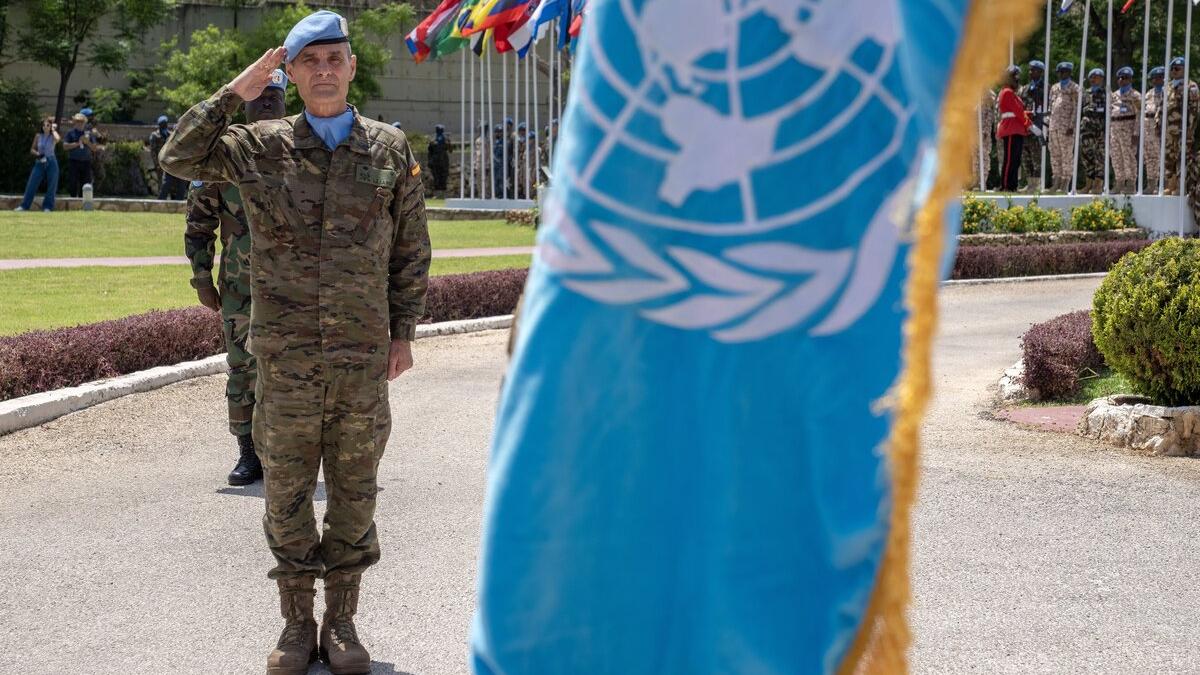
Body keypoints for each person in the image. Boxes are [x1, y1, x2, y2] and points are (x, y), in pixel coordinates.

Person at [159, 11, 431, 675]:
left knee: (354, 491)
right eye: (310, 61)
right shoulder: (258, 146)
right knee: (285, 493)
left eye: (335, 58)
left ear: (352, 66)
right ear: (292, 71)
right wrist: (240, 87)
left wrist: (403, 331)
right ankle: (294, 622)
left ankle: (341, 622)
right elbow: (178, 156)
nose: (325, 71)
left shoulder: (390, 148)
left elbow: (410, 247)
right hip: (283, 361)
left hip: (361, 359)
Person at [183, 70, 289, 489]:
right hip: (240, 288)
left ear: (285, 100)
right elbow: (198, 222)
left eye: (274, 95)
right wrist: (200, 277)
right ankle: (248, 453)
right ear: (245, 101)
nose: (266, 102)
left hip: (295, 290)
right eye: (259, 94)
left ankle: (287, 451)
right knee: (243, 367)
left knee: (296, 371)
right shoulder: (223, 156)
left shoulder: (304, 150)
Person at [1158, 56, 1199, 195]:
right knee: (1169, 158)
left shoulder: (1191, 86)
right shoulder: (1167, 86)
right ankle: (1171, 184)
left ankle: (1182, 186)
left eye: (1177, 69)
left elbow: (1194, 110)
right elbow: (1161, 107)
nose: (1174, 71)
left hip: (1183, 130)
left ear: (1184, 70)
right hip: (1168, 130)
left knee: (1183, 158)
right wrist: (1158, 124)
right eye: (1173, 69)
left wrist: (1190, 129)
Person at [15, 117, 60, 212]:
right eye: (43, 125)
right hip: (39, 161)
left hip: (51, 161)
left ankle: (47, 207)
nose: (45, 127)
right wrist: (38, 154)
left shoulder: (53, 136)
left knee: (52, 185)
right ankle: (24, 206)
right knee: (32, 183)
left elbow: (58, 139)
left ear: (51, 126)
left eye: (47, 125)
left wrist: (53, 129)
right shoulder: (38, 136)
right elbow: (32, 149)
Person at [997, 66, 1030, 192]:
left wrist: (1029, 115)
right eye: (1014, 77)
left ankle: (1013, 185)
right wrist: (1030, 124)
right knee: (1010, 159)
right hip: (1011, 128)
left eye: (1017, 77)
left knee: (1015, 160)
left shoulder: (1011, 93)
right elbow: (1018, 111)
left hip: (1016, 128)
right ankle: (1006, 185)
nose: (1017, 80)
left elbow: (1019, 111)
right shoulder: (1007, 92)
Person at [1048, 62, 1079, 192]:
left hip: (1066, 127)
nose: (1062, 74)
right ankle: (1056, 180)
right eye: (1060, 72)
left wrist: (1072, 125)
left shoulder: (1074, 88)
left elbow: (1076, 108)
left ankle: (1066, 181)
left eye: (1064, 71)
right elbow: (1051, 106)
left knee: (1066, 154)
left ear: (1069, 72)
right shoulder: (1054, 87)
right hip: (1054, 125)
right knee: (1055, 154)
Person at [1109, 66, 1141, 194]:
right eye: (1121, 78)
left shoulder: (1135, 95)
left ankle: (1131, 184)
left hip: (1128, 130)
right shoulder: (1114, 95)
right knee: (1116, 157)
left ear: (1131, 79)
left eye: (1126, 78)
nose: (1123, 80)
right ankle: (1119, 182)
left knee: (1128, 157)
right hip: (1115, 129)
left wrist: (1136, 133)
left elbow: (1139, 115)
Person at [1019, 60, 1047, 191]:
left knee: (1037, 156)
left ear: (1041, 72)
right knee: (1026, 155)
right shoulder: (1024, 89)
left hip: (1038, 126)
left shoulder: (1046, 88)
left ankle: (1037, 183)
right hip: (1025, 126)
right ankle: (1029, 182)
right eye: (1030, 70)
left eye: (1034, 70)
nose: (1031, 73)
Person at [1080, 68, 1107, 194]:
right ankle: (1088, 184)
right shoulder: (1085, 93)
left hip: (1100, 131)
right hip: (1086, 131)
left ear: (1102, 79)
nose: (1094, 79)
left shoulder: (1106, 94)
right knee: (1086, 157)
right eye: (1092, 77)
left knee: (1099, 157)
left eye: (1097, 77)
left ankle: (1098, 185)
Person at [150, 116, 188, 200]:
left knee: (180, 184)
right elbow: (153, 151)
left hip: (175, 163)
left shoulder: (170, 134)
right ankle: (161, 201)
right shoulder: (155, 135)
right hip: (164, 163)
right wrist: (157, 164)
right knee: (164, 184)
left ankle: (177, 200)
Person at [1142, 66, 1166, 192]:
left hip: (1162, 128)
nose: (1157, 80)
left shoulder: (1168, 92)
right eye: (1154, 78)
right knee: (1150, 156)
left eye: (1160, 77)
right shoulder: (1148, 94)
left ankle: (1166, 184)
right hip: (1148, 128)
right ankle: (1152, 184)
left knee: (1164, 156)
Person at [62, 113, 94, 197]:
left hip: (86, 161)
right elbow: (65, 146)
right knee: (73, 182)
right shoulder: (70, 132)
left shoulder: (89, 133)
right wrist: (78, 143)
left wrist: (87, 142)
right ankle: (73, 201)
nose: (80, 123)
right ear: (74, 122)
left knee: (86, 183)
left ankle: (84, 203)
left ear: (85, 122)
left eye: (82, 121)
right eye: (77, 121)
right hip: (74, 161)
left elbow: (95, 148)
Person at [971, 89, 996, 190]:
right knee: (976, 158)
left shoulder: (988, 94)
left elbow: (990, 115)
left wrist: (986, 131)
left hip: (983, 134)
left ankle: (982, 181)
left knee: (984, 157)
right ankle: (976, 181)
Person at [427, 123, 450, 192]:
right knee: (436, 177)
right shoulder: (433, 140)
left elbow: (451, 150)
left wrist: (448, 143)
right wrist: (430, 161)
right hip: (435, 161)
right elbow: (429, 151)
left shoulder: (445, 139)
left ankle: (443, 191)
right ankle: (437, 191)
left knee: (443, 177)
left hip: (443, 162)